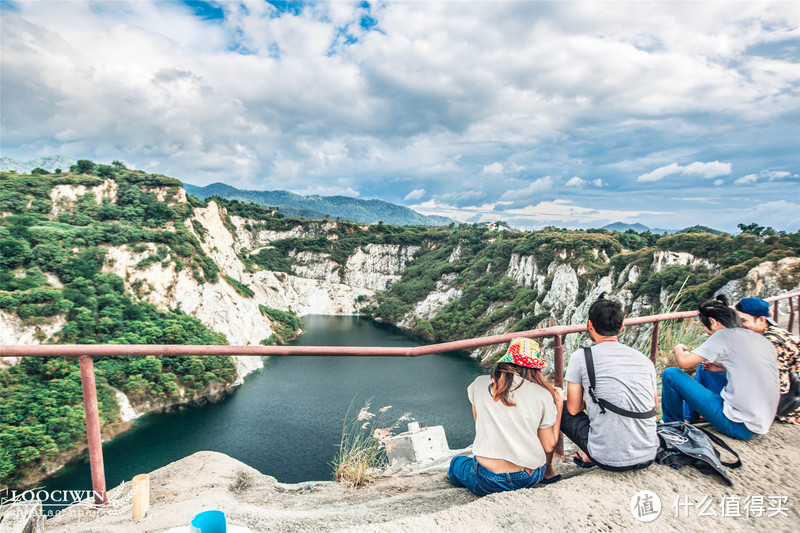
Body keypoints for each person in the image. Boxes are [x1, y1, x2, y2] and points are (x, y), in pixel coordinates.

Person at [554, 295, 658, 472]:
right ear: (622, 326)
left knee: (558, 403)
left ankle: (579, 455)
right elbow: (653, 403)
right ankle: (592, 450)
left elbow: (573, 409)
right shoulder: (643, 360)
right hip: (648, 452)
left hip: (608, 459)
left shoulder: (581, 357)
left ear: (590, 325)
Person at [447, 337, 563, 496]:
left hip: (486, 479)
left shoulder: (479, 384)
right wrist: (559, 405)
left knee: (456, 464)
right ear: (534, 368)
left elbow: (480, 427)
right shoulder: (542, 395)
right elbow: (548, 446)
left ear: (506, 361)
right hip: (527, 477)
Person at [662, 295, 779, 439]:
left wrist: (678, 348)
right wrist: (722, 368)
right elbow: (750, 371)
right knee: (705, 367)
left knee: (671, 374)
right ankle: (688, 417)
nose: (705, 331)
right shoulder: (760, 340)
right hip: (761, 421)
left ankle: (672, 427)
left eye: (704, 326)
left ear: (713, 322)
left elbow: (684, 362)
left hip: (739, 426)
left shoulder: (723, 335)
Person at [735, 297, 800, 424]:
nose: (740, 325)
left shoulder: (770, 343)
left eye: (743, 321)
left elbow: (780, 385)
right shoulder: (776, 333)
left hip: (790, 410)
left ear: (761, 320)